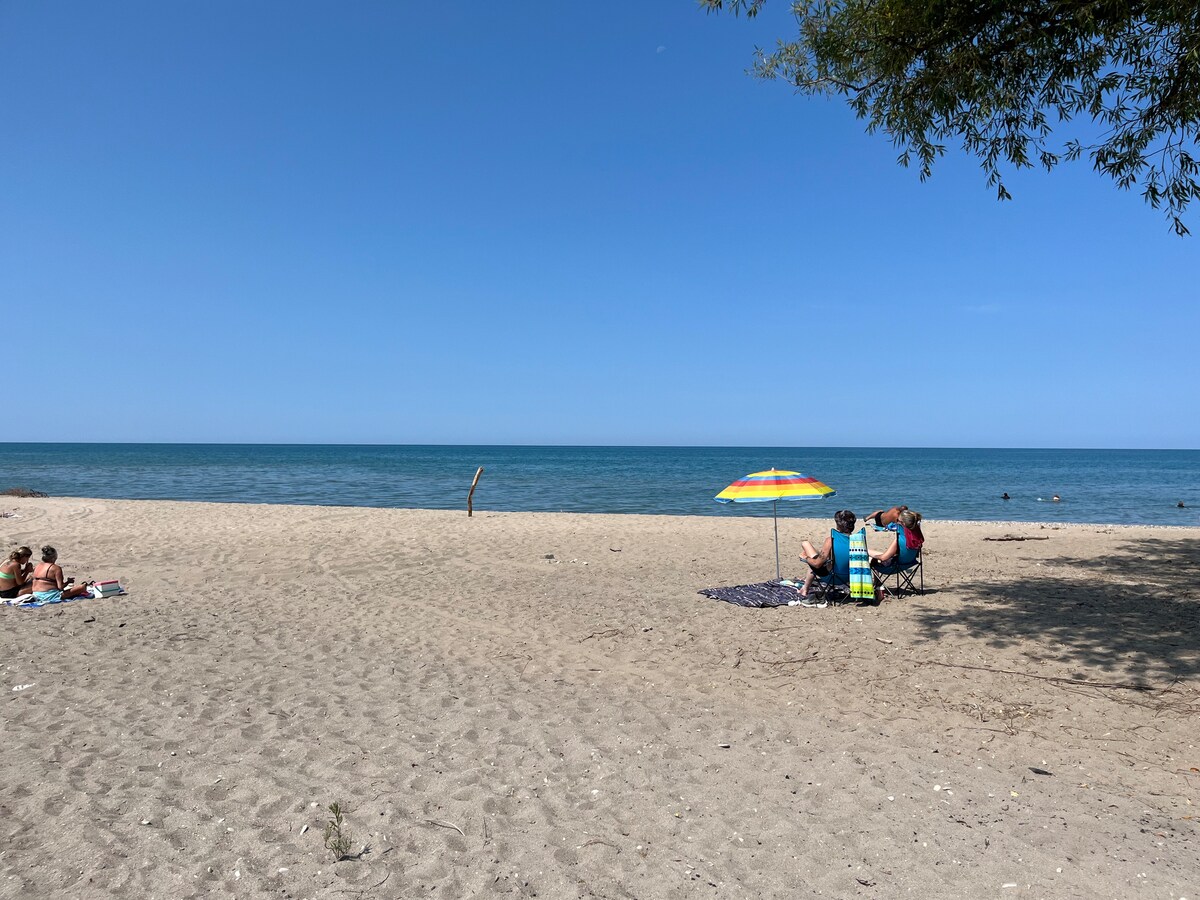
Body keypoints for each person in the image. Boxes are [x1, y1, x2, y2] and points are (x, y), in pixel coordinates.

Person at [795, 509, 858, 600]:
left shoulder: (831, 540)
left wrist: (805, 558)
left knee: (810, 555)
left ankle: (805, 589)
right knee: (816, 555)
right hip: (850, 577)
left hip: (831, 577)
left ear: (838, 525)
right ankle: (804, 588)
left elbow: (817, 564)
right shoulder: (857, 542)